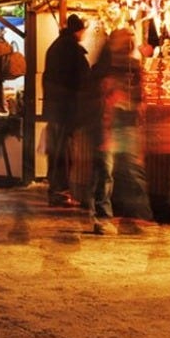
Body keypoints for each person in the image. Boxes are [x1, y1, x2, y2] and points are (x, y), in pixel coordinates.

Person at [86, 28, 155, 235]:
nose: (128, 44)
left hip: (125, 126)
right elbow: (93, 99)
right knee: (105, 173)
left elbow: (139, 98)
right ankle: (103, 217)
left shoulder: (132, 67)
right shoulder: (101, 69)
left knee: (131, 172)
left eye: (129, 41)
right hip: (106, 125)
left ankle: (139, 217)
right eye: (124, 41)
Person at [41, 13, 90, 207]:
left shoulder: (56, 47)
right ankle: (59, 191)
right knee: (63, 150)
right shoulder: (72, 50)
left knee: (57, 150)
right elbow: (82, 79)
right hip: (66, 108)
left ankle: (57, 189)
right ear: (79, 30)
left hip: (55, 108)